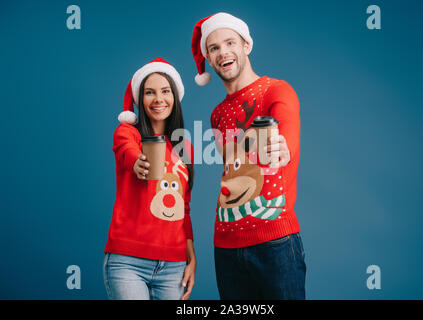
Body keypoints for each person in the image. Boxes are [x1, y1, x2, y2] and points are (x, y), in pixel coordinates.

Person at [190, 13, 306, 299]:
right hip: (226, 244)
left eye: (230, 42)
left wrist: (283, 148)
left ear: (246, 46)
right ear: (208, 57)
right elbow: (234, 167)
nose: (223, 52)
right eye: (214, 48)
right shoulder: (216, 114)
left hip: (275, 242)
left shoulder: (276, 90)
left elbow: (286, 135)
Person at [103, 57, 196, 300]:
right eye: (149, 92)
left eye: (165, 91)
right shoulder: (127, 133)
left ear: (174, 96)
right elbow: (128, 153)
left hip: (174, 265)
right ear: (139, 99)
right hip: (128, 263)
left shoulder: (185, 147)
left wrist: (191, 256)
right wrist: (138, 163)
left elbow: (183, 206)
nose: (158, 99)